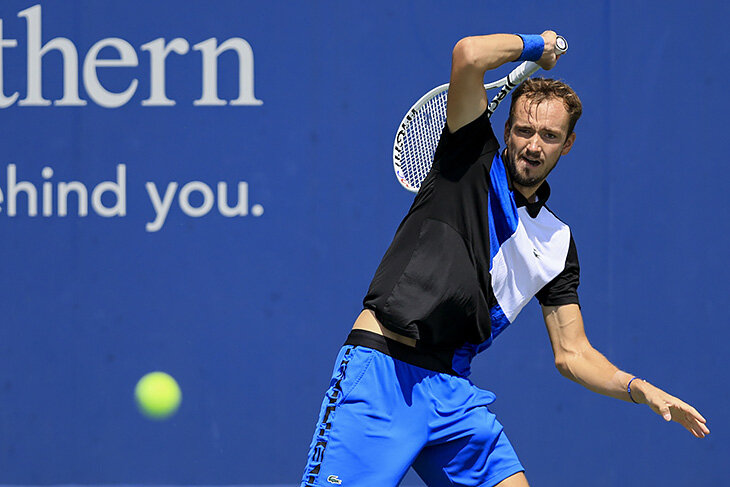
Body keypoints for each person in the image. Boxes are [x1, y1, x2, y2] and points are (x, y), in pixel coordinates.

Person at [300, 31, 710, 487]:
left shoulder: (557, 242)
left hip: (452, 392)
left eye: (550, 136)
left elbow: (573, 353)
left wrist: (639, 389)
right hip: (382, 371)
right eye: (524, 130)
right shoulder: (467, 155)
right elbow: (469, 54)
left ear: (567, 144)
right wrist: (538, 46)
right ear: (507, 130)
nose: (534, 145)